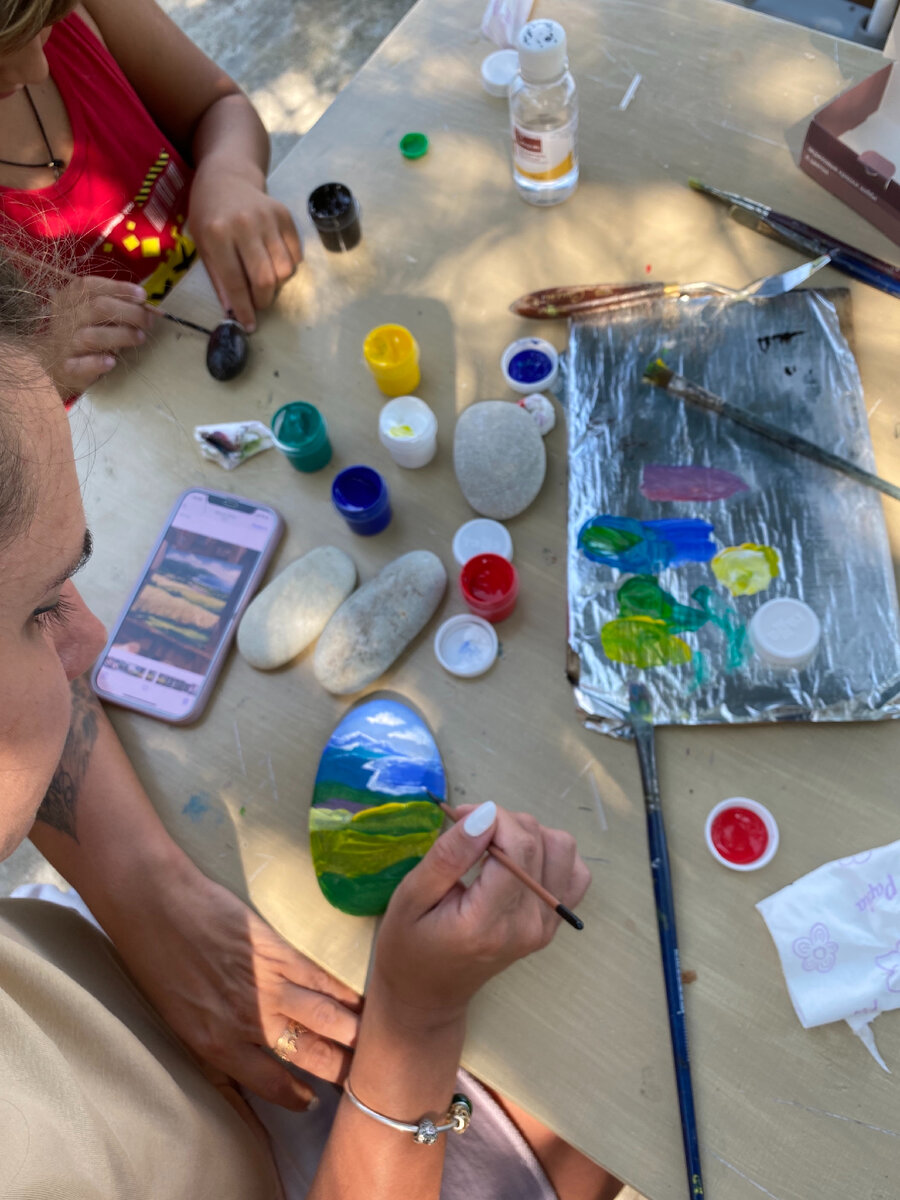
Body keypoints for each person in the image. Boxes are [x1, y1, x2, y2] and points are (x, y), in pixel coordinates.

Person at [0, 275, 622, 1196]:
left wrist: (148, 894)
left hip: (157, 1016)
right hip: (349, 1146)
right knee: (615, 1067)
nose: (89, 643)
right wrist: (413, 1028)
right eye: (40, 610)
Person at [0, 0, 302, 394]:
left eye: (44, 24)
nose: (37, 69)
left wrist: (229, 173)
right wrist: (39, 370)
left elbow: (218, 105)